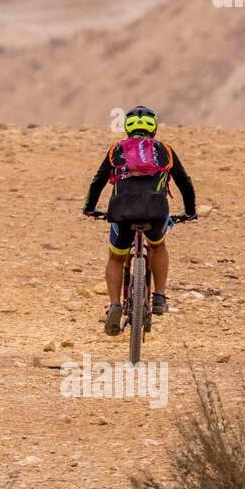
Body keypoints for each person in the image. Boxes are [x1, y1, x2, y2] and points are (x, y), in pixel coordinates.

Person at [82, 105, 197, 335]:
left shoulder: (117, 149)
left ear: (127, 128)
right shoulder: (165, 149)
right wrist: (190, 211)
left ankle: (114, 303)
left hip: (122, 212)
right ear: (153, 128)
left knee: (116, 257)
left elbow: (98, 181)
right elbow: (185, 182)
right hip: (155, 212)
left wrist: (89, 208)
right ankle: (159, 297)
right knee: (157, 245)